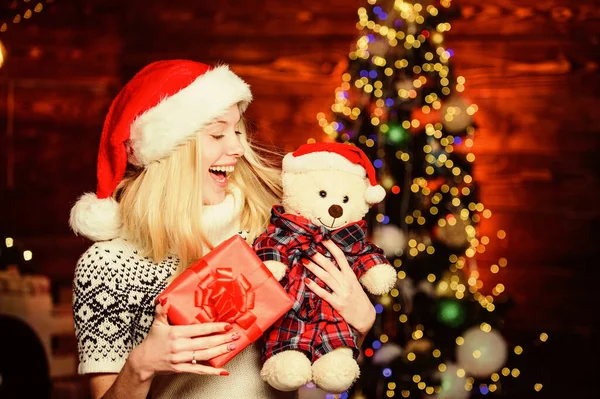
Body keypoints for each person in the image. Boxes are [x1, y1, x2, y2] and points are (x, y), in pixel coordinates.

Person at [69, 59, 376, 399]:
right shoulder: (108, 265)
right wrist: (140, 366)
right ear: (169, 150)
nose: (238, 148)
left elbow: (319, 366)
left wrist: (360, 324)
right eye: (217, 134)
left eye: (237, 132)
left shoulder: (276, 236)